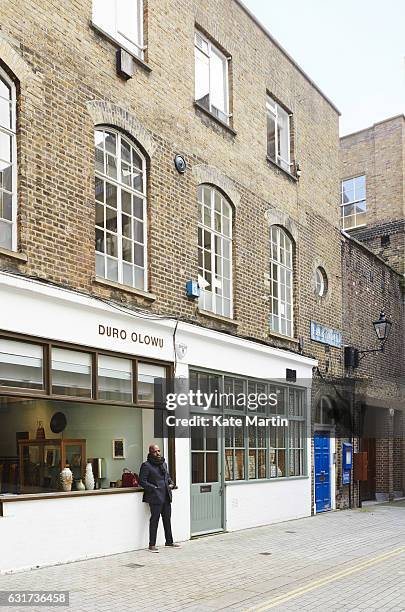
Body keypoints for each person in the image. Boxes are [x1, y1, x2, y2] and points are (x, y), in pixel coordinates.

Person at [139, 444, 180, 552]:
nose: (158, 453)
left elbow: (167, 477)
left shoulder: (163, 464)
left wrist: (171, 483)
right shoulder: (146, 465)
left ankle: (169, 541)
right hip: (155, 497)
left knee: (167, 519)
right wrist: (154, 488)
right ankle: (151, 545)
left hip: (166, 496)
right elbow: (142, 481)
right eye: (155, 451)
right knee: (154, 520)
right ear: (150, 453)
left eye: (159, 451)